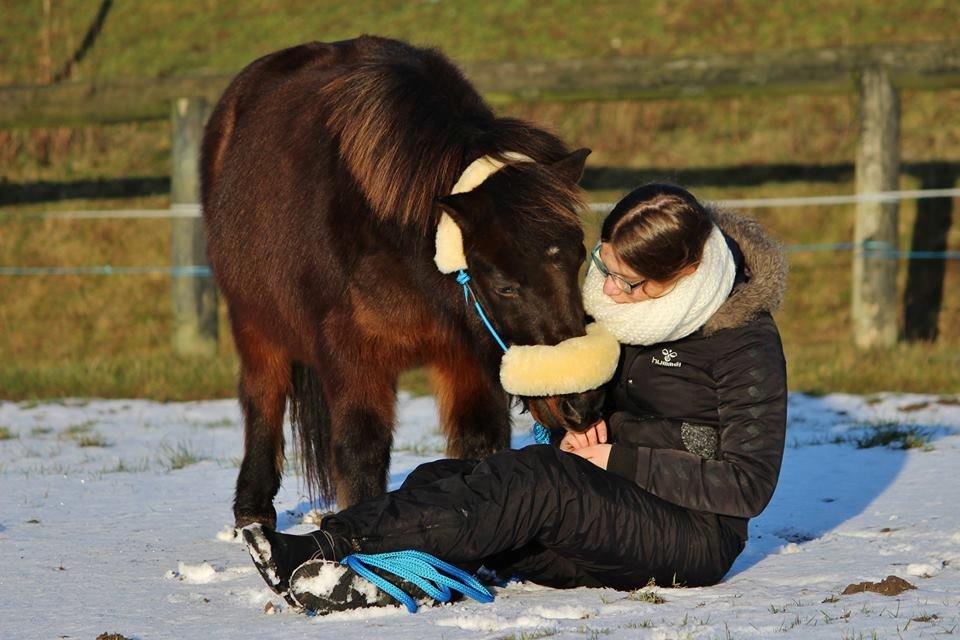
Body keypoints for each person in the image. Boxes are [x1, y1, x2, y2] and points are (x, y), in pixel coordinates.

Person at [241, 183, 788, 613]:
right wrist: (575, 433)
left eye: (633, 284)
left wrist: (617, 456)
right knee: (446, 482)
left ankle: (328, 547)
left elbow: (748, 484)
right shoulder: (622, 308)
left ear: (688, 274)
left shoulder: (744, 343)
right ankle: (390, 578)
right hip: (609, 501)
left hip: (692, 532)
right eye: (607, 267)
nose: (612, 292)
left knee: (536, 485)